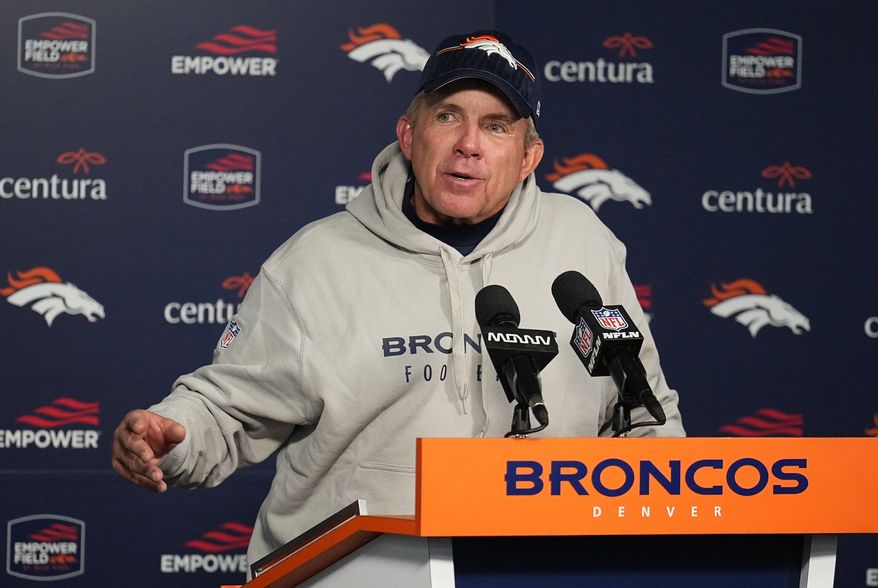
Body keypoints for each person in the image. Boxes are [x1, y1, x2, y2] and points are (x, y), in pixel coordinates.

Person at [112, 30, 684, 567]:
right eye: (448, 117)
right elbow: (227, 407)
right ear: (409, 136)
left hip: (540, 567)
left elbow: (643, 408)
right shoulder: (316, 261)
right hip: (356, 569)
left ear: (530, 156)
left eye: (496, 126)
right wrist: (172, 435)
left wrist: (670, 541)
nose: (468, 146)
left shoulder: (582, 241)